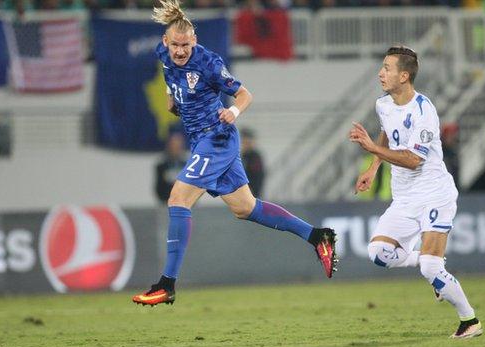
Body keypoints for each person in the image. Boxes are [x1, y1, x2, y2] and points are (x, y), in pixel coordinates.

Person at [132, 0, 338, 306]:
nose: (179, 51)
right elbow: (169, 76)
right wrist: (171, 99)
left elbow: (244, 94)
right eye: (175, 45)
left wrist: (233, 111)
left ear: (195, 42)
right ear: (165, 42)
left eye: (185, 46)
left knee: (178, 198)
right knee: (245, 208)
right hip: (203, 141)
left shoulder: (209, 63)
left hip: (216, 138)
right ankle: (317, 236)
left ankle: (167, 284)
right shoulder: (164, 55)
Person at [349, 46, 482, 339]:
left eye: (387, 68)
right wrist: (373, 168)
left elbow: (413, 160)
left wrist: (372, 147)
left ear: (404, 75)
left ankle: (469, 320)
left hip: (435, 193)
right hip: (405, 197)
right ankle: (424, 258)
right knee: (378, 253)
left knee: (431, 268)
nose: (380, 73)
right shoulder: (383, 104)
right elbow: (387, 132)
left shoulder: (424, 111)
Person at [155, 132, 188, 203]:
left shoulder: (188, 167)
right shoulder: (161, 166)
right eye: (174, 145)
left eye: (178, 146)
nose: (176, 149)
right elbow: (159, 189)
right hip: (167, 204)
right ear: (169, 147)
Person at [240, 128, 265, 198]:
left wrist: (253, 189)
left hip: (252, 191)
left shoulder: (255, 156)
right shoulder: (244, 155)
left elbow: (258, 175)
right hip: (244, 190)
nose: (244, 144)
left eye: (246, 142)